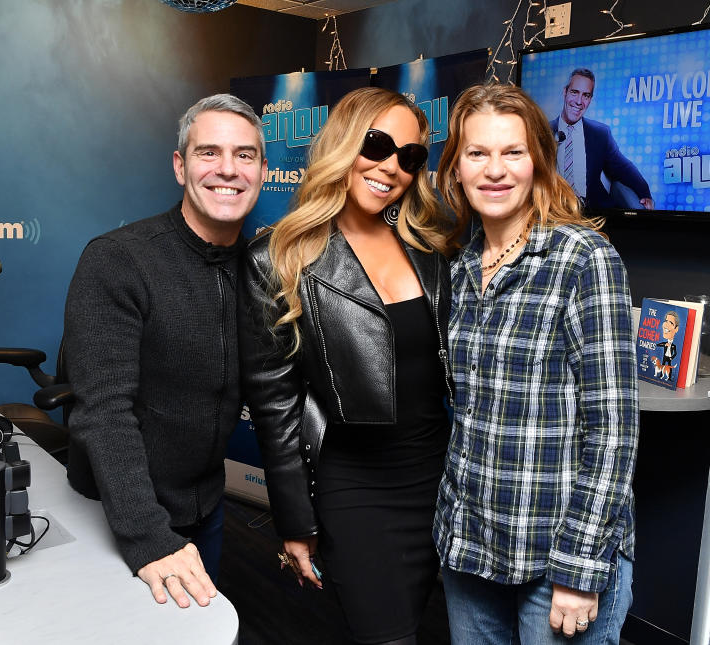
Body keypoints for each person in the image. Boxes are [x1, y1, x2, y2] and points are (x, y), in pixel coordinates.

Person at [238, 86, 454, 644]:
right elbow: (275, 407)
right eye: (377, 145)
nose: (391, 168)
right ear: (342, 143)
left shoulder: (433, 249)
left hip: (445, 484)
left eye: (409, 157)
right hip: (358, 491)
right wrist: (295, 522)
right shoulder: (279, 258)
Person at [434, 83, 639, 644]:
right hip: (472, 548)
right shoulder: (458, 266)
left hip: (558, 561)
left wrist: (579, 568)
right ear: (455, 168)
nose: (495, 170)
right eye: (477, 153)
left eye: (513, 153)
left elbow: (614, 431)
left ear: (539, 162)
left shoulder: (583, 259)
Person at [63, 94, 266, 608]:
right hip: (122, 514)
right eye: (208, 153)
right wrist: (148, 537)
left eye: (245, 155)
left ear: (263, 170)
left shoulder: (262, 267)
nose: (228, 169)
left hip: (207, 507)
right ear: (180, 166)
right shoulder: (118, 259)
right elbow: (104, 412)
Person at [551, 68, 654, 211]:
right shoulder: (543, 132)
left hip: (594, 215)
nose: (579, 101)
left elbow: (622, 167)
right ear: (565, 92)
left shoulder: (600, 133)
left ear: (590, 99)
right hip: (556, 214)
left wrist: (645, 194)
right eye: (575, 92)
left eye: (586, 95)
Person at [656, 310, 680, 380]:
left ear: (676, 329)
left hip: (669, 357)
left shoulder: (674, 346)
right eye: (666, 321)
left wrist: (671, 358)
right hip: (665, 357)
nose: (666, 325)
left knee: (669, 366)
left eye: (671, 323)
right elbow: (658, 344)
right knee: (662, 366)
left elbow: (675, 353)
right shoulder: (665, 343)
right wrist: (664, 344)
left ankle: (669, 377)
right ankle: (660, 375)